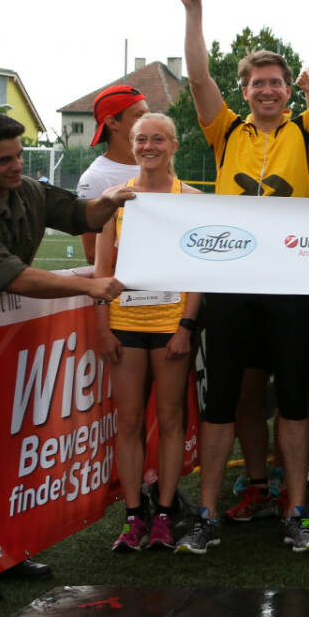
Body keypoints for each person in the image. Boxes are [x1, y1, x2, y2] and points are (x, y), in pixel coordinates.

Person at [171, 0, 309, 556]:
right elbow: (198, 79)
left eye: (277, 83)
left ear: (284, 90)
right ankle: (208, 513)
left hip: (288, 286)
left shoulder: (307, 129)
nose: (270, 90)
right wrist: (195, 12)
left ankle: (296, 510)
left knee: (296, 403)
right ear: (246, 91)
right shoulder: (225, 130)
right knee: (223, 400)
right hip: (229, 286)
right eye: (258, 84)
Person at [0, 112, 133, 599]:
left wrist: (108, 202)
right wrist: (91, 286)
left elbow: (80, 215)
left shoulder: (26, 189)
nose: (15, 166)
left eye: (19, 155)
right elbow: (15, 277)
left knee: (0, 453)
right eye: (2, 159)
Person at [93, 114, 202, 553]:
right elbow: (102, 269)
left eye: (158, 139)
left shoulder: (191, 199)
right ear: (132, 145)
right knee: (131, 420)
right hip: (125, 323)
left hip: (170, 324)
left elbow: (198, 273)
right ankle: (134, 515)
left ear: (174, 145)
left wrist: (185, 327)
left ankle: (165, 513)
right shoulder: (114, 200)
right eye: (141, 139)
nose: (149, 146)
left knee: (173, 419)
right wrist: (103, 328)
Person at [76, 84, 148, 263]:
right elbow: (93, 253)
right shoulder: (95, 178)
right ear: (112, 122)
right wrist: (157, 258)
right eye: (140, 116)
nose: (149, 121)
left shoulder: (158, 167)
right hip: (124, 289)